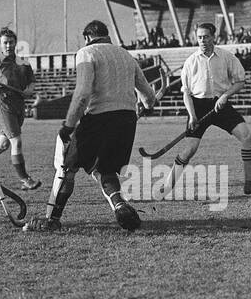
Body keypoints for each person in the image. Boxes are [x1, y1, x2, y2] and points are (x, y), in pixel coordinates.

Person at [25, 19, 155, 232]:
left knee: (68, 168)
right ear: (107, 36)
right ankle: (120, 206)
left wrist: (68, 126)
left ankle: (52, 219)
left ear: (87, 37)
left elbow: (83, 93)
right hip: (127, 120)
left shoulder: (86, 53)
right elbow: (148, 97)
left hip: (98, 119)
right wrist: (144, 107)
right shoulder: (126, 55)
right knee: (106, 169)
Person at [166, 21, 251, 198]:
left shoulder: (226, 57)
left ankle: (250, 184)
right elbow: (186, 93)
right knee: (190, 149)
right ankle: (166, 187)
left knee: (247, 137)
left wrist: (225, 96)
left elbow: (240, 81)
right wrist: (191, 116)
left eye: (206, 36)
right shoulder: (190, 62)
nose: (202, 40)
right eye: (199, 37)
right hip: (198, 107)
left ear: (214, 37)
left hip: (221, 104)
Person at [0, 26, 40, 191]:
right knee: (16, 141)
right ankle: (25, 179)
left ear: (15, 43)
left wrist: (29, 90)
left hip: (19, 106)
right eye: (5, 42)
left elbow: (31, 82)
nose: (8, 46)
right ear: (0, 43)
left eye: (11, 42)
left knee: (2, 144)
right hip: (3, 105)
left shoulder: (23, 63)